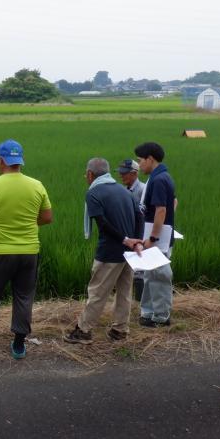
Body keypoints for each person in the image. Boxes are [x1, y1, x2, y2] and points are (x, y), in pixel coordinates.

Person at [0, 139, 52, 360]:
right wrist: (27, 224)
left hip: (1, 252)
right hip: (29, 252)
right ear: (20, 160)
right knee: (23, 297)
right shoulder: (37, 185)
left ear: (1, 160)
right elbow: (46, 217)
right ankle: (19, 345)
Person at [64, 158, 143, 344]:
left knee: (98, 291)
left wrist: (125, 240)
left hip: (110, 251)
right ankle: (120, 330)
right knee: (124, 292)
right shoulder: (124, 191)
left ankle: (83, 330)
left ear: (91, 174)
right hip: (130, 253)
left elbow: (102, 224)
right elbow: (140, 216)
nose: (85, 177)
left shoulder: (94, 193)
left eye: (86, 174)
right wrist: (137, 241)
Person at [135, 141, 176, 327]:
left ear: (150, 159)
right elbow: (174, 202)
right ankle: (148, 312)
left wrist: (153, 238)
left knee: (159, 275)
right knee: (150, 275)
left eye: (140, 160)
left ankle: (161, 316)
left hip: (156, 238)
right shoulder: (159, 176)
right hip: (156, 234)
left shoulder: (159, 179)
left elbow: (161, 210)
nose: (139, 164)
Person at [117, 158, 146, 301]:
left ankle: (140, 302)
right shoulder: (123, 190)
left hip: (139, 235)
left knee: (139, 269)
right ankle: (132, 300)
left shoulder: (142, 189)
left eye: (125, 173)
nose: (121, 176)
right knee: (129, 267)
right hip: (128, 235)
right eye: (121, 173)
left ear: (134, 173)